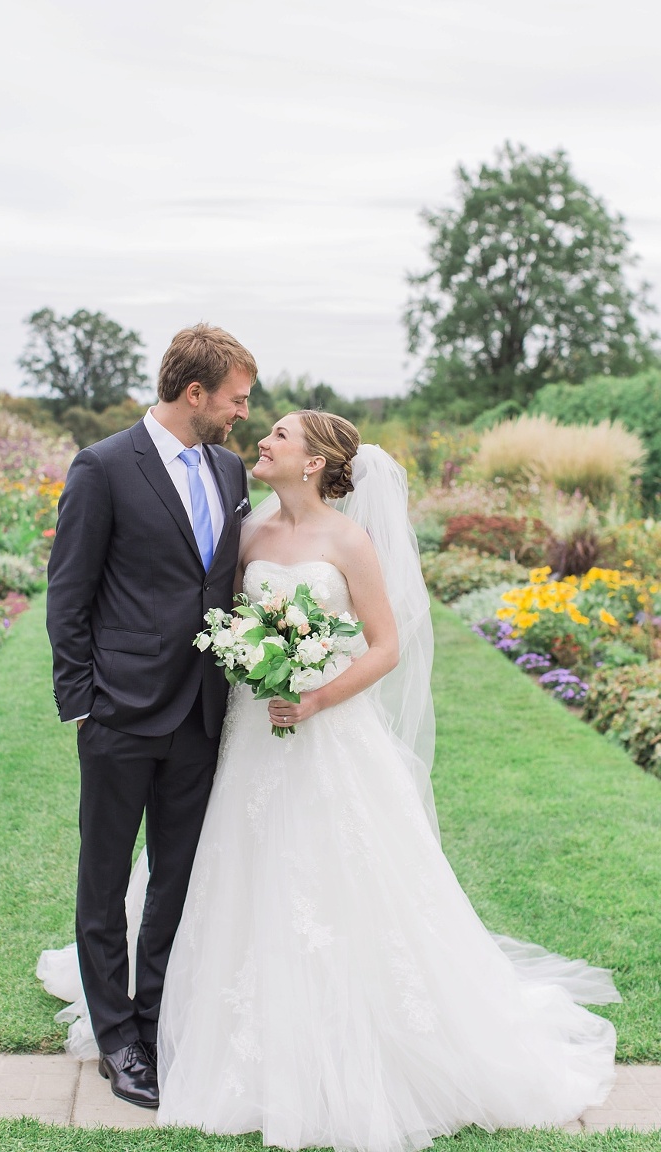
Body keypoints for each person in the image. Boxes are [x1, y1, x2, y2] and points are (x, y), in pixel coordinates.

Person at [41, 409, 620, 1150]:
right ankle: (176, 1018)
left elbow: (385, 647)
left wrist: (314, 694)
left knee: (337, 875)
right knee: (222, 868)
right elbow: (205, 606)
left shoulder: (349, 540)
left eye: (279, 434)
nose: (262, 438)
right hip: (247, 728)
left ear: (314, 462)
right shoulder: (247, 530)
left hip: (324, 729)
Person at [44, 323, 256, 1109]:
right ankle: (117, 1040)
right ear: (193, 393)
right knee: (103, 882)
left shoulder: (232, 469)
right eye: (235, 399)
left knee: (178, 880)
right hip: (119, 713)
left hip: (204, 710)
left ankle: (157, 1019)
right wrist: (82, 705)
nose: (243, 414)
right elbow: (68, 597)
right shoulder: (102, 468)